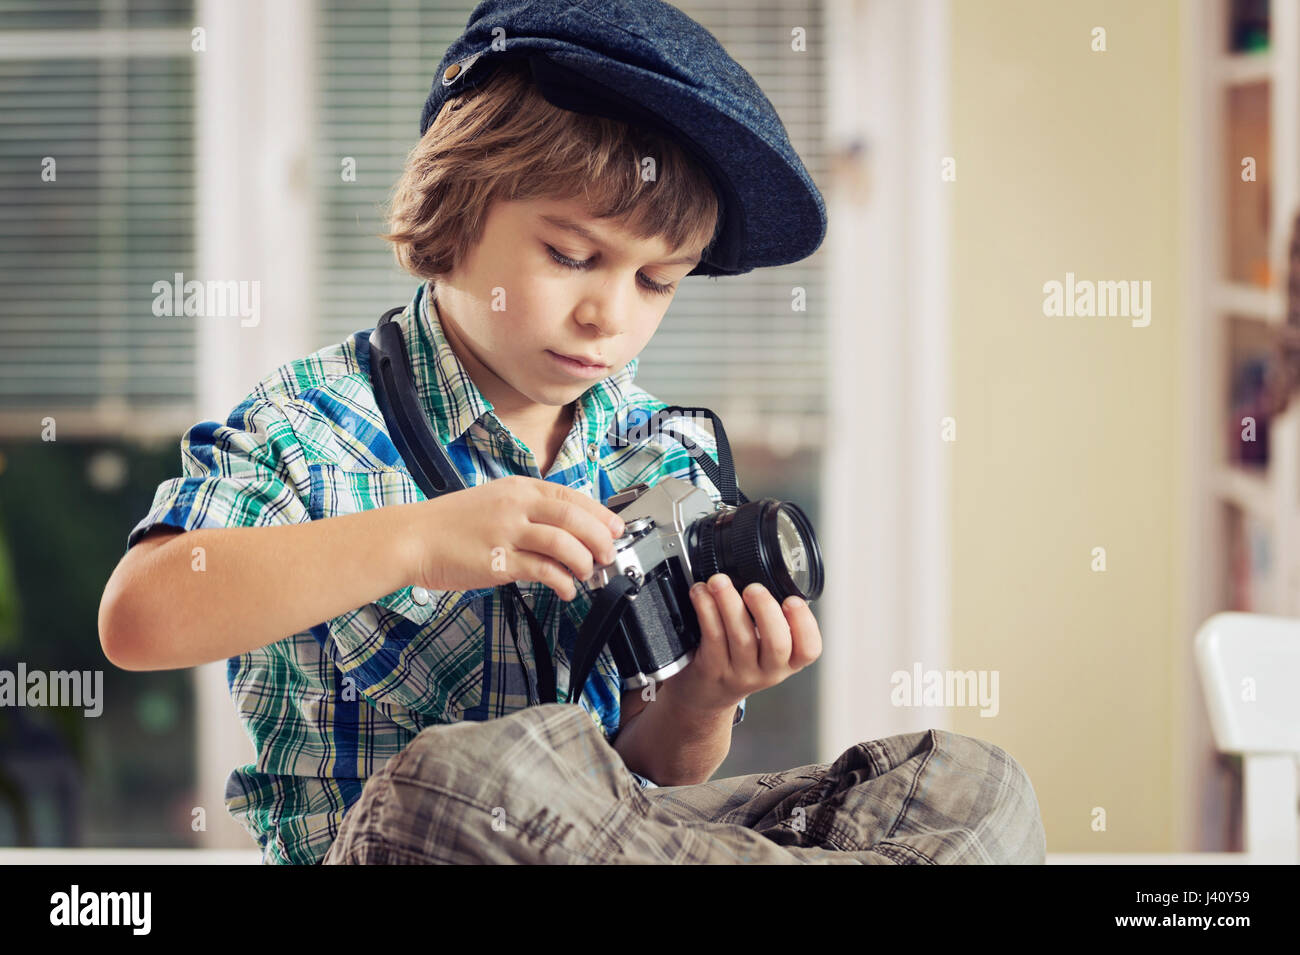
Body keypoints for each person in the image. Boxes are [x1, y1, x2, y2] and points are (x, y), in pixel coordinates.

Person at [98, 0, 1046, 865]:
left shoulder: (658, 455)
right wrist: (416, 540)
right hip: (410, 844)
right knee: (475, 782)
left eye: (654, 281)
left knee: (972, 792)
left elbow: (660, 770)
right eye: (571, 256)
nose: (610, 315)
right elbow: (139, 616)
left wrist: (703, 697)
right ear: (456, 205)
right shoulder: (316, 425)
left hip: (614, 842)